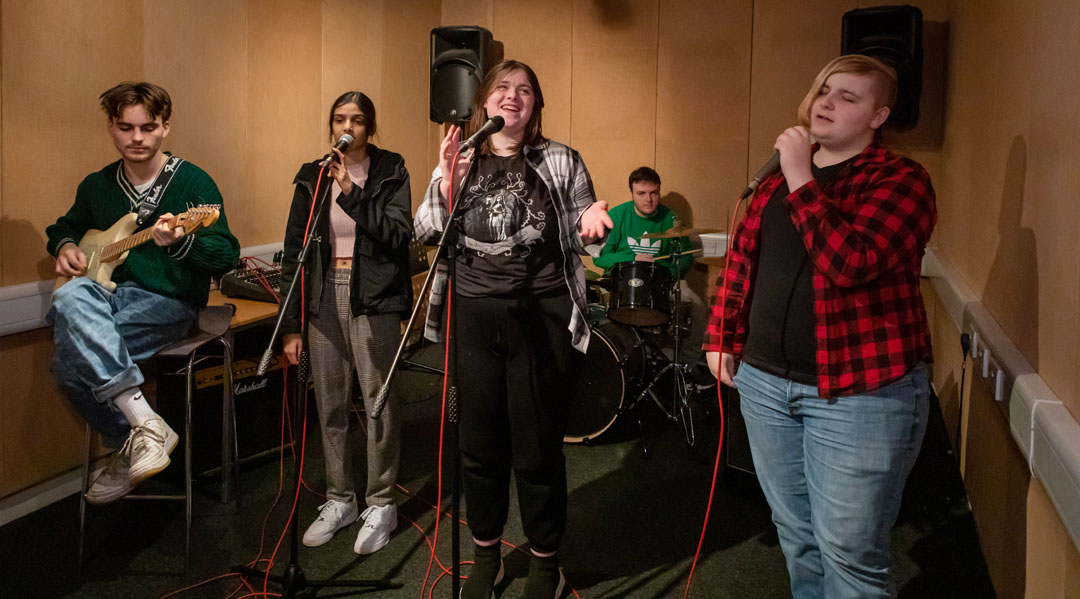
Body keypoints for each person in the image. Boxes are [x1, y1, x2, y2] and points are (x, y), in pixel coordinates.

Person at [704, 54, 936, 599]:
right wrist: (720, 336)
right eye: (824, 91)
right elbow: (742, 265)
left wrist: (800, 178)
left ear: (878, 117)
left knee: (850, 552)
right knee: (797, 535)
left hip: (859, 394)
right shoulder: (773, 184)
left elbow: (850, 262)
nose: (826, 102)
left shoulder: (901, 180)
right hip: (765, 384)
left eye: (847, 97)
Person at [414, 60, 612, 599]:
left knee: (537, 449)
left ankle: (546, 564)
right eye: (502, 87)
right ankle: (487, 557)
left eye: (525, 90)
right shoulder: (460, 157)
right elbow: (426, 229)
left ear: (535, 106)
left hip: (541, 318)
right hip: (473, 319)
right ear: (484, 100)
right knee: (479, 448)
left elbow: (585, 227)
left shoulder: (561, 159)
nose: (513, 96)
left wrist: (591, 224)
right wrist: (448, 180)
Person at [46, 82, 240, 505]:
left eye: (148, 128)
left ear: (165, 127)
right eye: (126, 127)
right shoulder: (96, 185)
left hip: (168, 302)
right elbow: (64, 226)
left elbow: (227, 255)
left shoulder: (193, 181)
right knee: (68, 297)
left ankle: (126, 444)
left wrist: (182, 242)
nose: (137, 138)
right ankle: (144, 431)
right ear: (110, 127)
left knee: (67, 367)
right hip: (109, 297)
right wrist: (65, 246)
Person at [278, 91, 412, 555]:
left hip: (373, 295)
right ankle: (340, 499)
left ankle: (381, 501)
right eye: (339, 119)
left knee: (377, 401)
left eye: (356, 120)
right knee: (331, 403)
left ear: (369, 128)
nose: (346, 127)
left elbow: (397, 235)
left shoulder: (391, 169)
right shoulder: (312, 175)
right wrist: (291, 324)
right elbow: (294, 251)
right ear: (331, 126)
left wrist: (352, 192)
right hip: (323, 293)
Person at [594, 166, 707, 366]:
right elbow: (599, 257)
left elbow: (685, 259)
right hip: (624, 280)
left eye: (654, 193)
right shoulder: (617, 215)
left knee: (697, 306)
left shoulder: (671, 219)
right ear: (632, 193)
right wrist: (633, 257)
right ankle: (615, 364)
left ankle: (688, 365)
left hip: (662, 281)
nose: (648, 199)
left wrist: (666, 272)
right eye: (641, 193)